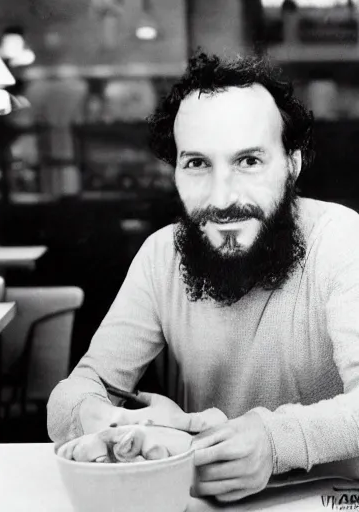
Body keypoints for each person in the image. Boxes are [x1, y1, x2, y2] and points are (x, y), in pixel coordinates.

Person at [47, 52, 359, 503]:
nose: (221, 197)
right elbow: (75, 392)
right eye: (197, 164)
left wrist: (274, 442)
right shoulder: (161, 255)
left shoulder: (343, 240)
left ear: (292, 164)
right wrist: (111, 423)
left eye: (249, 161)